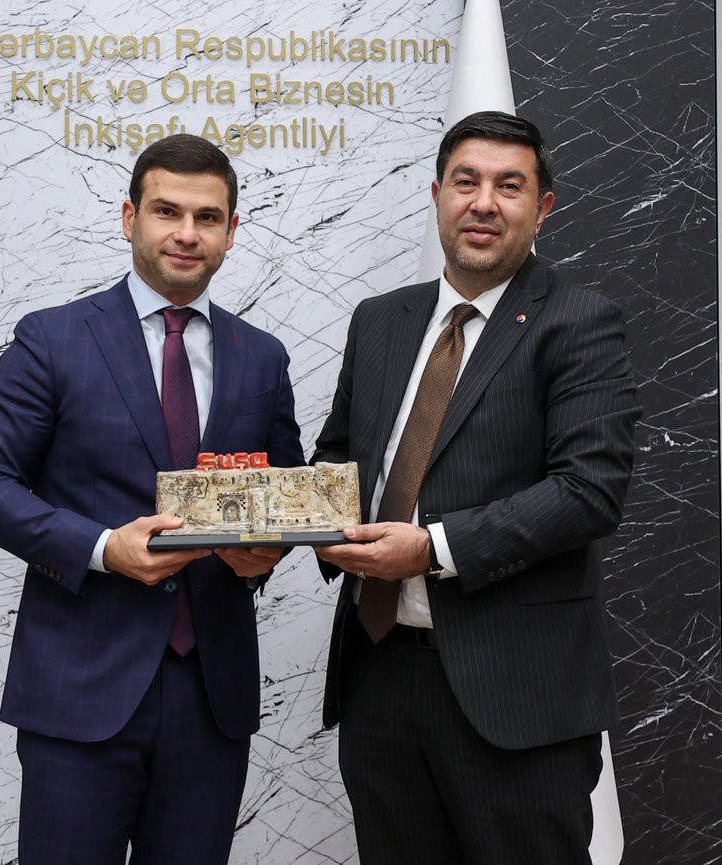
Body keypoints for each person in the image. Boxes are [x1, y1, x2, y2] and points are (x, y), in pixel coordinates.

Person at [0, 134, 304, 865]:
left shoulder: (262, 358)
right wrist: (103, 548)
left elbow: (283, 500)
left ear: (232, 230)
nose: (186, 233)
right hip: (80, 690)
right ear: (128, 218)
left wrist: (262, 555)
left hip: (212, 697)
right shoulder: (52, 339)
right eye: (167, 211)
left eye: (207, 217)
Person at [310, 111, 640, 865]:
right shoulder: (379, 320)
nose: (483, 203)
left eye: (508, 186)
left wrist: (431, 549)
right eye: (466, 181)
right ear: (437, 195)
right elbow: (339, 458)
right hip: (379, 675)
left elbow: (589, 490)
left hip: (514, 694)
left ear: (542, 208)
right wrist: (298, 528)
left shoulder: (579, 322)